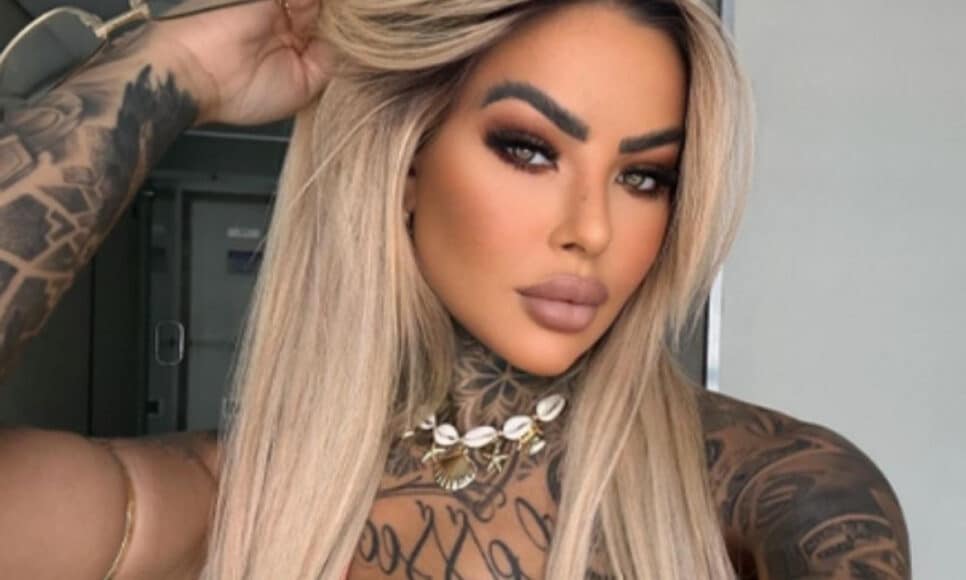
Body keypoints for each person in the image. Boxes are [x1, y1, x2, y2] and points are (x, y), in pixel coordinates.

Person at [0, 0, 911, 578]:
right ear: (406, 167)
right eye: (529, 150)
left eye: (644, 177)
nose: (592, 229)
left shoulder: (771, 488)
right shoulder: (242, 499)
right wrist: (180, 67)